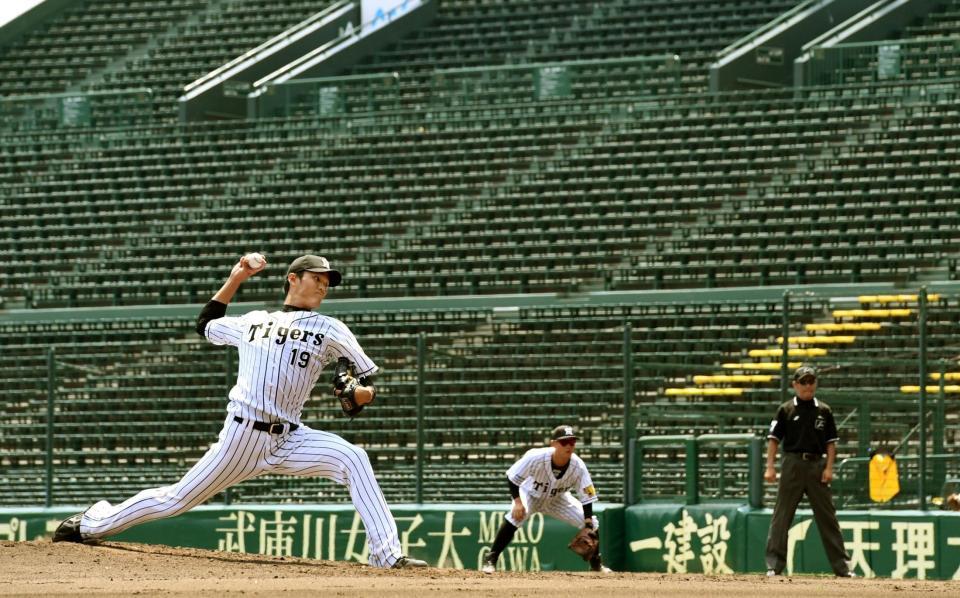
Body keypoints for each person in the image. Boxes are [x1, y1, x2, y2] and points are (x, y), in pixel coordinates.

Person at [53, 254, 428, 569]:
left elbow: (352, 381)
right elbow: (206, 324)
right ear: (293, 279)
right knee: (177, 499)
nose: (324, 284)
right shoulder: (253, 320)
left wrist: (360, 394)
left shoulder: (332, 328)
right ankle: (90, 524)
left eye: (328, 280)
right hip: (242, 436)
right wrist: (237, 276)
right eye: (317, 277)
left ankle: (387, 557)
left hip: (292, 437)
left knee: (354, 458)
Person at [481, 425, 612, 574]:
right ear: (553, 443)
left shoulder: (578, 467)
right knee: (514, 516)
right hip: (530, 493)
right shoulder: (536, 457)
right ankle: (491, 558)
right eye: (564, 442)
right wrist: (517, 502)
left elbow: (587, 497)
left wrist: (587, 523)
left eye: (572, 442)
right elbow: (512, 477)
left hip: (557, 499)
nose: (569, 446)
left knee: (592, 524)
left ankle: (596, 564)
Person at [764, 365, 854, 578]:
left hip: (817, 465)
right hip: (792, 464)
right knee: (782, 516)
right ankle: (774, 566)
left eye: (811, 381)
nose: (808, 386)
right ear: (795, 385)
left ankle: (843, 568)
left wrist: (829, 468)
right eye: (803, 382)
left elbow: (831, 443)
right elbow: (773, 440)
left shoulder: (824, 410)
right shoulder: (785, 409)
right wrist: (770, 466)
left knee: (828, 518)